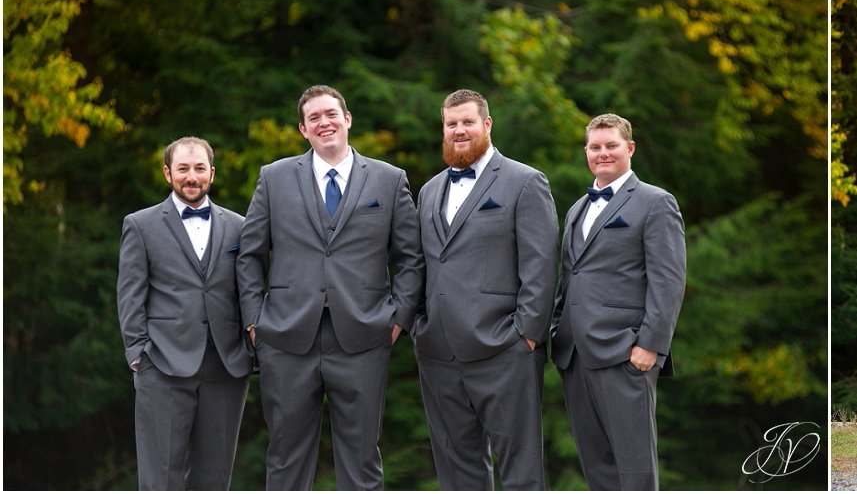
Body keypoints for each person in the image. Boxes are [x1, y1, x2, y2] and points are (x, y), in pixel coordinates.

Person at [237, 85, 424, 489]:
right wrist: (255, 321)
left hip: (364, 336)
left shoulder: (390, 181)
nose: (325, 123)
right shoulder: (274, 178)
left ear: (348, 118)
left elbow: (410, 259)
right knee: (286, 459)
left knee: (361, 460)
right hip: (286, 337)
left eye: (331, 114)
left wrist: (397, 320)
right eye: (314, 118)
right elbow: (249, 255)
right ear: (303, 129)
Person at [409, 89, 558, 490]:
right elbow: (421, 264)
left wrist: (525, 335)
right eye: (451, 123)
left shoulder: (525, 182)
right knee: (456, 472)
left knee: (519, 471)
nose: (459, 130)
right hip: (438, 351)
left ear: (487, 124)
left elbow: (540, 266)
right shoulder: (428, 191)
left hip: (504, 350)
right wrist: (419, 327)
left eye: (467, 122)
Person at [551, 114, 686, 489]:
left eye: (611, 145)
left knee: (635, 468)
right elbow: (569, 276)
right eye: (595, 147)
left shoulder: (655, 202)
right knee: (596, 466)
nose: (603, 153)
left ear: (629, 149)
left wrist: (650, 346)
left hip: (625, 353)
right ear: (586, 152)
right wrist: (557, 328)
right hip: (574, 354)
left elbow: (669, 280)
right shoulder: (578, 207)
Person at [116, 136, 252, 489]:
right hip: (161, 365)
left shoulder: (239, 226)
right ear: (167, 173)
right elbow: (130, 294)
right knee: (162, 477)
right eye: (183, 169)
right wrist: (137, 354)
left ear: (212, 173)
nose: (191, 177)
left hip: (226, 366)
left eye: (199, 168)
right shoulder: (140, 225)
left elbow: (249, 290)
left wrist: (251, 348)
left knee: (215, 477)